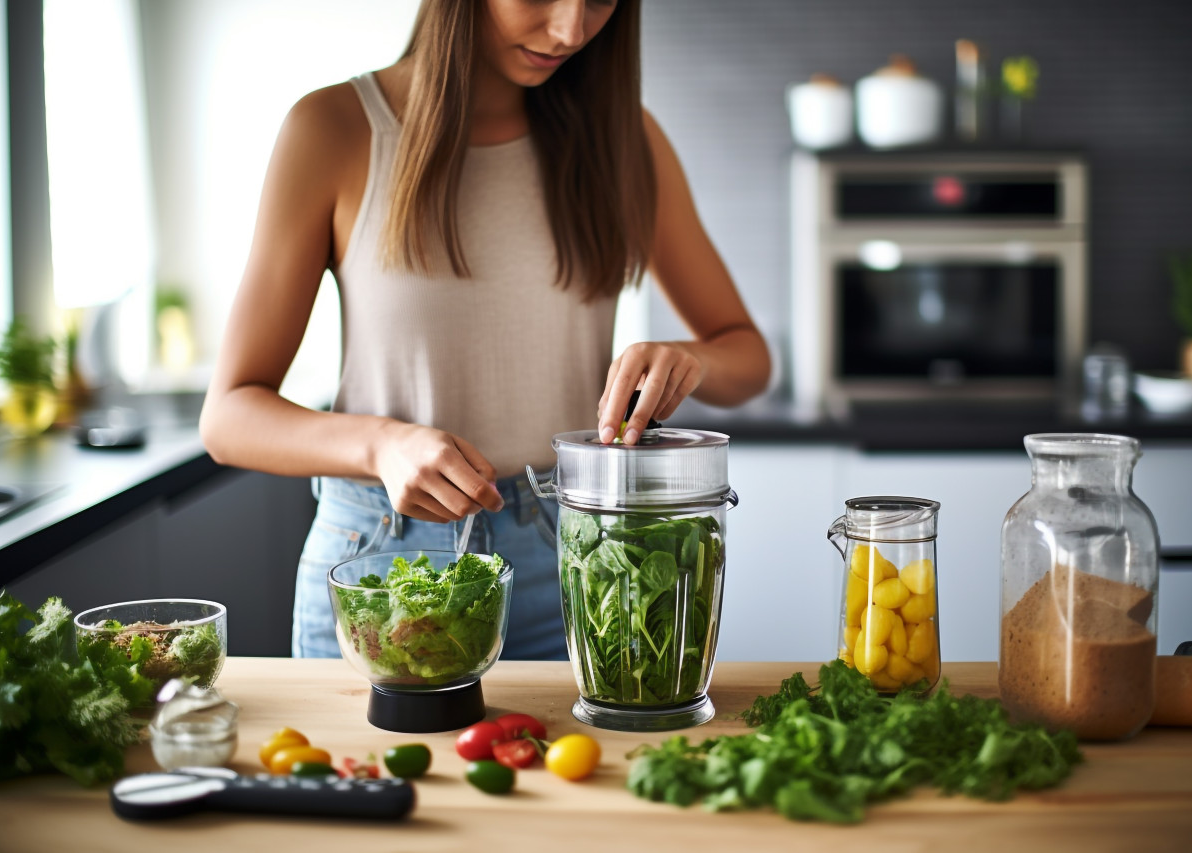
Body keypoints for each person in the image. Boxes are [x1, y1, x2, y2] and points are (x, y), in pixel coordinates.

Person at [199, 0, 771, 661]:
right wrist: (380, 445)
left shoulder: (627, 142)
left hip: (573, 560)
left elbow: (747, 358)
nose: (570, 30)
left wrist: (690, 358)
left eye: (601, 1)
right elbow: (229, 415)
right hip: (382, 566)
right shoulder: (333, 129)